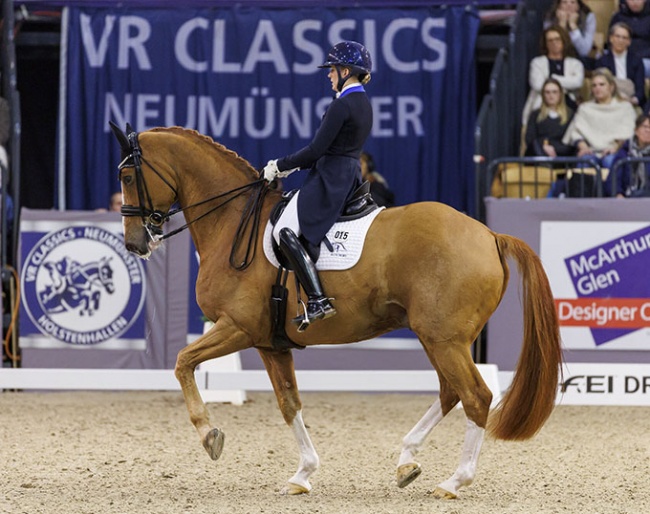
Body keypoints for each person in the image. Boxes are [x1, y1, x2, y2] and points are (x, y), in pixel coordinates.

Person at [262, 41, 373, 332]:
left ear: (346, 71)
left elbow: (315, 151)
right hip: (346, 174)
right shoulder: (362, 102)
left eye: (332, 70)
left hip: (331, 179)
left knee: (284, 230)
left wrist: (279, 165)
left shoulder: (342, 105)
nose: (329, 75)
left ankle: (317, 299)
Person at [562, 67, 637, 171]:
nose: (597, 88)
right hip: (590, 152)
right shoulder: (585, 108)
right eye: (594, 85)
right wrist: (583, 147)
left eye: (602, 84)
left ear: (611, 87)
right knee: (585, 162)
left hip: (615, 151)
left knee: (610, 161)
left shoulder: (625, 107)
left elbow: (628, 134)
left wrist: (615, 148)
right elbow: (575, 133)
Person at [521, 26, 584, 125]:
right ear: (545, 44)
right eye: (550, 40)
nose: (554, 43)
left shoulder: (575, 63)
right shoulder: (537, 62)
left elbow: (577, 82)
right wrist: (566, 83)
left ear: (564, 41)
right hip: (542, 103)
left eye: (557, 39)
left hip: (569, 103)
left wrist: (553, 78)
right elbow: (538, 85)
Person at [595, 22, 646, 108]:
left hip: (631, 101)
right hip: (610, 101)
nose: (620, 40)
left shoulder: (636, 60)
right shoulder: (602, 61)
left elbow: (640, 89)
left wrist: (633, 100)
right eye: (617, 36)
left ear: (629, 42)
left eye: (624, 38)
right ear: (611, 38)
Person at [524, 77, 576, 158]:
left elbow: (569, 143)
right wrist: (544, 146)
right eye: (547, 92)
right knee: (536, 147)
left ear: (560, 94)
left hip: (561, 155)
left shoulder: (570, 114)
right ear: (543, 95)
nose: (551, 95)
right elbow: (529, 139)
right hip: (538, 154)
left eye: (554, 92)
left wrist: (551, 147)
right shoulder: (535, 114)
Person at [610, 113, 650, 196]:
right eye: (645, 127)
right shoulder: (625, 150)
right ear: (636, 130)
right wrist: (618, 193)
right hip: (628, 195)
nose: (648, 130)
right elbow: (615, 176)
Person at [609, 0, 650, 78]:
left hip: (646, 60)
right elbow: (610, 42)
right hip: (622, 58)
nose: (635, 2)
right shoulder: (617, 18)